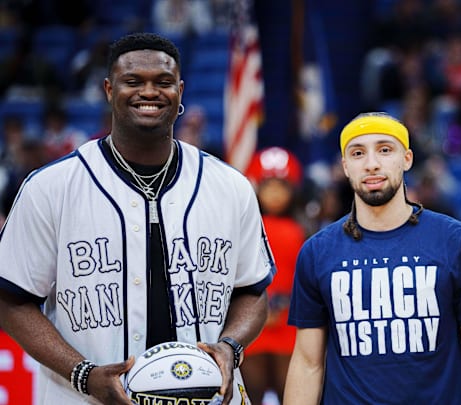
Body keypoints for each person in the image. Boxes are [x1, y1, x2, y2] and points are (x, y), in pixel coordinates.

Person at [0, 32, 274, 405]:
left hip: (209, 395)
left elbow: (253, 291)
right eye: (133, 81)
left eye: (163, 82)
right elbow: (11, 300)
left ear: (180, 91)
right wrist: (84, 375)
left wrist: (229, 347)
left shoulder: (230, 186)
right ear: (109, 89)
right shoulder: (50, 187)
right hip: (84, 399)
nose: (149, 92)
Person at [284, 112, 461, 404]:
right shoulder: (317, 253)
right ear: (345, 166)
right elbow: (308, 362)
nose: (372, 163)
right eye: (358, 153)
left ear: (407, 159)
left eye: (385, 150)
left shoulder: (458, 243)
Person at [240, 146, 307, 404]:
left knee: (290, 390)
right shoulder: (244, 226)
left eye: (283, 187)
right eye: (269, 187)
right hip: (253, 323)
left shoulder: (304, 227)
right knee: (251, 391)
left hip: (289, 324)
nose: (276, 194)